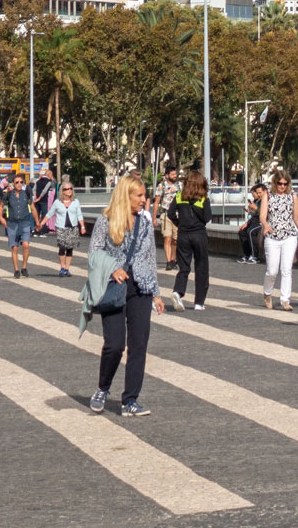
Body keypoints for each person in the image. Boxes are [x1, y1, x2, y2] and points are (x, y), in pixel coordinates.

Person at [81, 175, 168, 416]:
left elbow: (150, 258)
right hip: (114, 287)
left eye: (144, 195)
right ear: (125, 196)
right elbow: (94, 253)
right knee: (115, 344)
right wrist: (113, 268)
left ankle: (130, 400)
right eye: (139, 196)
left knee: (139, 345)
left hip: (140, 288)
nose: (144, 200)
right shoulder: (105, 221)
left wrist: (156, 294)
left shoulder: (145, 222)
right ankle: (103, 387)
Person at [169, 169, 213, 309]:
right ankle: (199, 303)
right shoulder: (203, 198)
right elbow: (207, 218)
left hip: (183, 235)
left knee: (184, 267)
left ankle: (178, 292)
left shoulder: (179, 196)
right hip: (199, 234)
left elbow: (170, 214)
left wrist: (179, 223)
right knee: (201, 267)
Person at [262, 170, 298, 309]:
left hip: (289, 235)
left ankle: (285, 300)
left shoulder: (293, 196)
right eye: (280, 183)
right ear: (275, 183)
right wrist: (266, 225)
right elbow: (263, 215)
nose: (282, 186)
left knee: (286, 269)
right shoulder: (267, 194)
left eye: (285, 184)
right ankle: (267, 293)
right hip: (272, 236)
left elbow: (297, 217)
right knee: (272, 271)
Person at [0, 169, 37, 277]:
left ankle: (24, 266)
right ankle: (16, 270)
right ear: (13, 184)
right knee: (15, 247)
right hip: (12, 224)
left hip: (25, 223)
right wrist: (1, 218)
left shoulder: (26, 194)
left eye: (21, 182)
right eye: (17, 182)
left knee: (25, 245)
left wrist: (37, 222)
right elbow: (1, 206)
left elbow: (33, 208)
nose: (19, 184)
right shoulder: (8, 195)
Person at [49, 183, 85, 276]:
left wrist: (82, 226)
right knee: (62, 247)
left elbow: (79, 215)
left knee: (69, 249)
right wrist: (40, 223)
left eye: (70, 188)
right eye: (66, 189)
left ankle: (67, 269)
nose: (69, 190)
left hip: (72, 228)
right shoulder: (57, 202)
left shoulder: (76, 201)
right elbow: (50, 213)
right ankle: (62, 267)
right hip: (61, 228)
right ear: (62, 191)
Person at [154, 166, 183, 266]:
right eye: (172, 174)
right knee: (167, 238)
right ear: (167, 176)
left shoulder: (180, 185)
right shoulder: (161, 186)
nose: (175, 176)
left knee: (175, 240)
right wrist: (154, 218)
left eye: (175, 174)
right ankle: (168, 261)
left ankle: (173, 258)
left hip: (177, 216)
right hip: (165, 215)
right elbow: (157, 202)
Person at [240, 181, 268, 265]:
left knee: (251, 231)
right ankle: (247, 254)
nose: (258, 195)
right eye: (257, 193)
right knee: (242, 231)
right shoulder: (258, 201)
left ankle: (255, 255)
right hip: (255, 221)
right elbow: (255, 214)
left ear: (265, 191)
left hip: (261, 223)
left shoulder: (267, 200)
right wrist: (247, 223)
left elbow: (264, 213)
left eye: (260, 193)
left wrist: (254, 209)